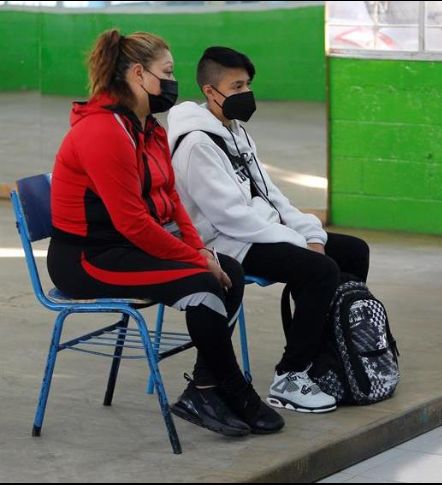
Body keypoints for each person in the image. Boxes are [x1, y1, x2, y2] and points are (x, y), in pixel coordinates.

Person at [48, 30, 284, 438]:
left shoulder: (149, 128)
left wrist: (199, 250)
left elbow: (171, 201)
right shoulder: (103, 131)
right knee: (204, 283)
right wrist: (196, 259)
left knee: (228, 269)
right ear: (139, 74)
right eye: (168, 72)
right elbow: (133, 223)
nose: (174, 82)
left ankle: (205, 390)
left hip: (126, 246)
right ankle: (234, 390)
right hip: (87, 259)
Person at [167, 47, 370, 414]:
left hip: (257, 230)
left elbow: (271, 195)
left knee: (353, 251)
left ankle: (328, 357)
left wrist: (310, 234)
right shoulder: (196, 144)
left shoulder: (236, 132)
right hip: (226, 243)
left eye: (247, 84)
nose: (246, 93)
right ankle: (291, 376)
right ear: (210, 91)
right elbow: (230, 218)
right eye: (236, 86)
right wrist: (298, 242)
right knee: (320, 270)